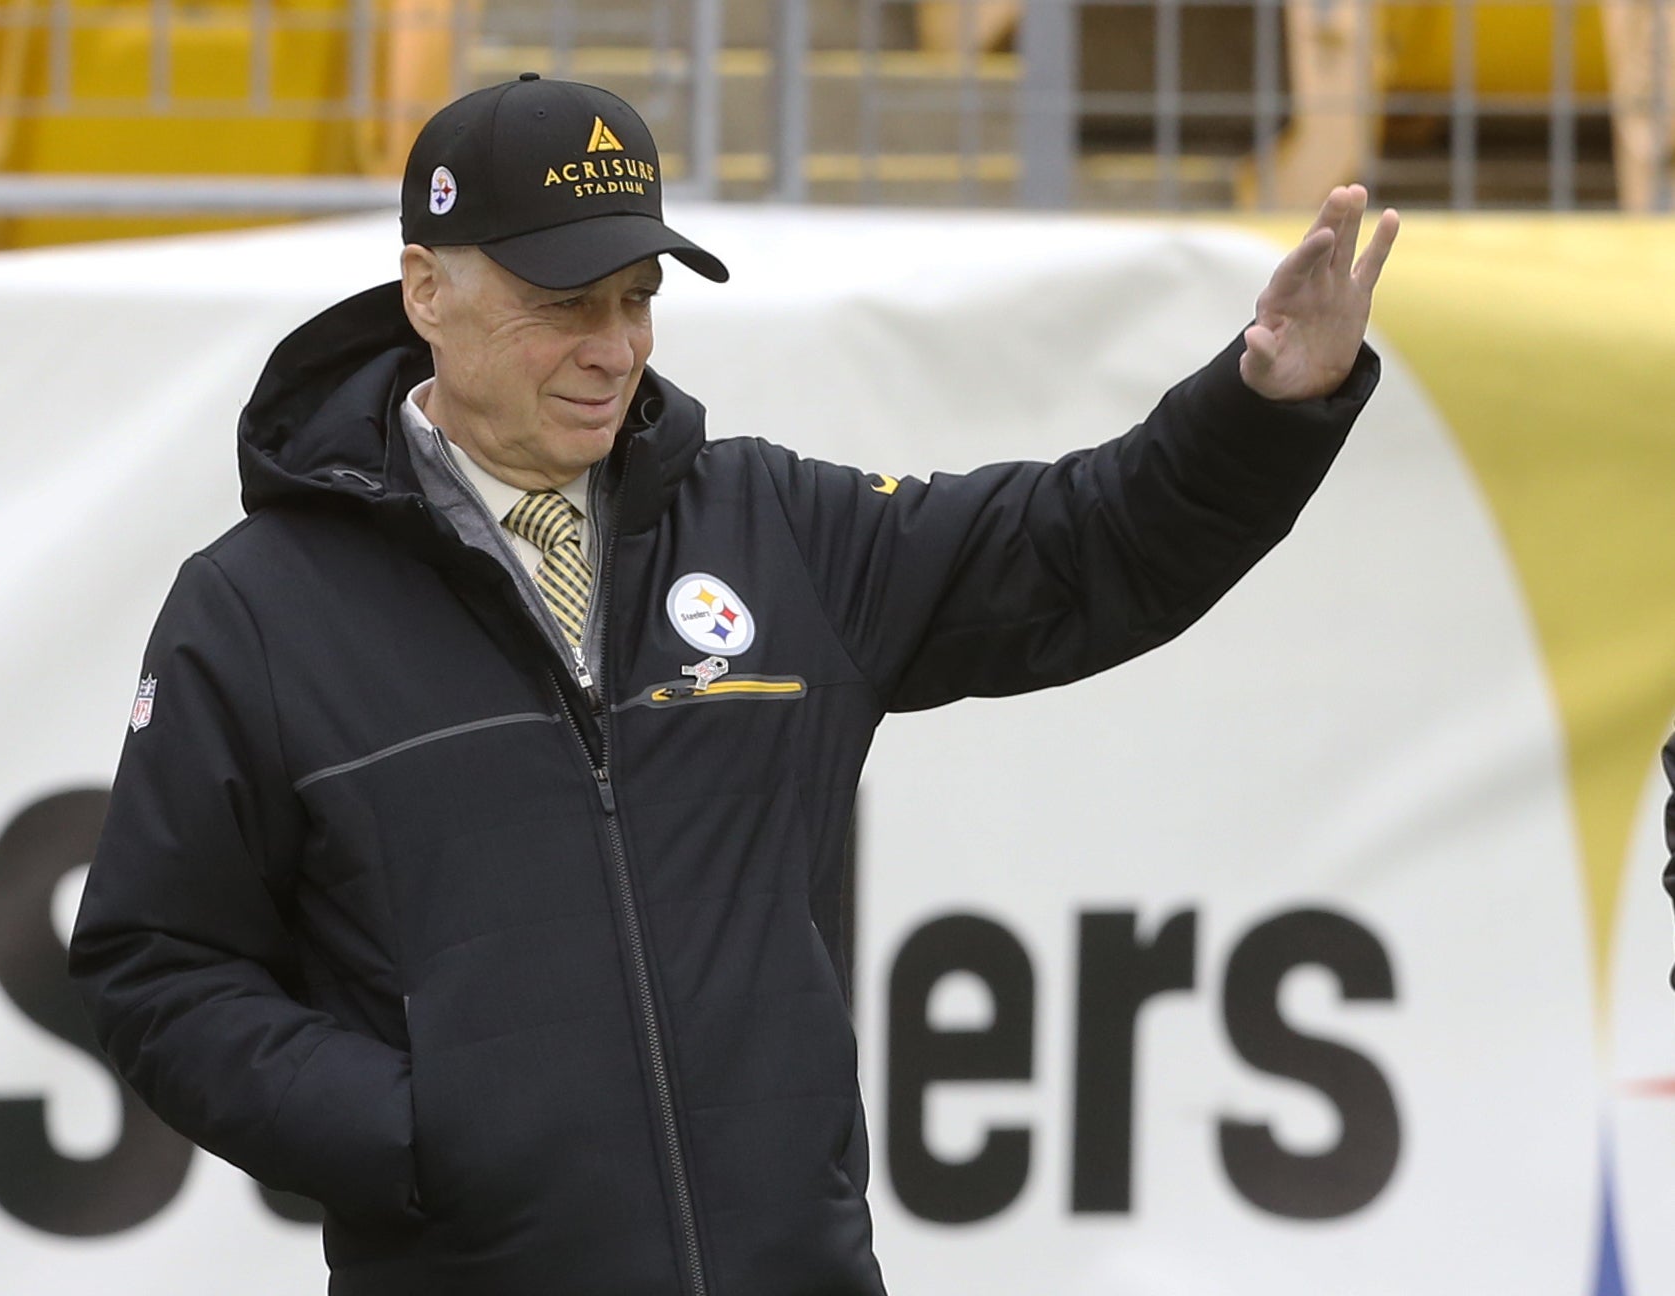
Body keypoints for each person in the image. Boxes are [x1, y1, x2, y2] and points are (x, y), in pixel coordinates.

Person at [70, 74, 1398, 1296]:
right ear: (427, 289)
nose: (615, 346)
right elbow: (157, 963)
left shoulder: (772, 524)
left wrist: (1266, 403)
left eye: (639, 296)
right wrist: (415, 1129)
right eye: (564, 304)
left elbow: (1076, 547)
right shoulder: (257, 608)